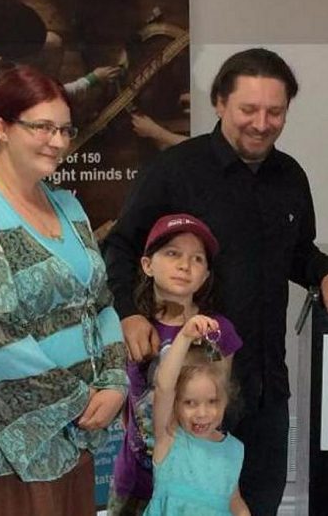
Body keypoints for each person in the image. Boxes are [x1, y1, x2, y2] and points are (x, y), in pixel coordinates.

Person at [103, 47, 328, 514]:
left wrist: (326, 270)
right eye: (248, 109)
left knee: (256, 506)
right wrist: (128, 313)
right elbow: (120, 247)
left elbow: (296, 253)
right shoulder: (175, 170)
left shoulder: (290, 177)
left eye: (275, 111)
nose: (262, 123)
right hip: (188, 398)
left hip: (264, 391)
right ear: (220, 103)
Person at [0, 65, 127, 516]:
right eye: (42, 127)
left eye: (64, 129)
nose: (57, 141)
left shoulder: (67, 204)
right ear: (1, 128)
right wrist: (80, 404)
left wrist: (114, 382)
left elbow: (100, 302)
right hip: (0, 451)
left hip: (74, 435)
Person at [107, 213, 243, 515]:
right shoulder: (130, 327)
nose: (184, 265)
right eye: (172, 254)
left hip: (193, 486)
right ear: (147, 265)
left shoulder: (219, 331)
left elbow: (217, 403)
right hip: (135, 480)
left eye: (197, 259)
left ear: (206, 273)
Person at [145, 314, 249, 515]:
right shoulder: (169, 438)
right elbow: (164, 386)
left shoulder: (234, 450)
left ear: (226, 399)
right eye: (190, 403)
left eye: (212, 402)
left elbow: (234, 500)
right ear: (175, 403)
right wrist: (184, 337)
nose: (202, 413)